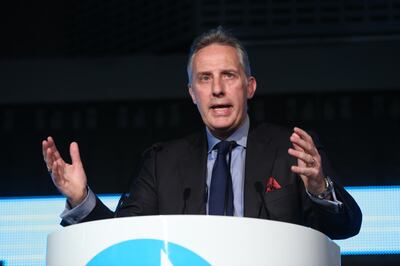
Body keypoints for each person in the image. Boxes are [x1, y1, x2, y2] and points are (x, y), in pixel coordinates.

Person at [42, 27, 361, 240]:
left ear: (249, 87)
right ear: (192, 93)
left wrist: (319, 189)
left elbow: (346, 227)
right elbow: (124, 243)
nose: (218, 90)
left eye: (228, 76)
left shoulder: (292, 151)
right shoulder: (162, 163)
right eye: (205, 79)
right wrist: (80, 199)